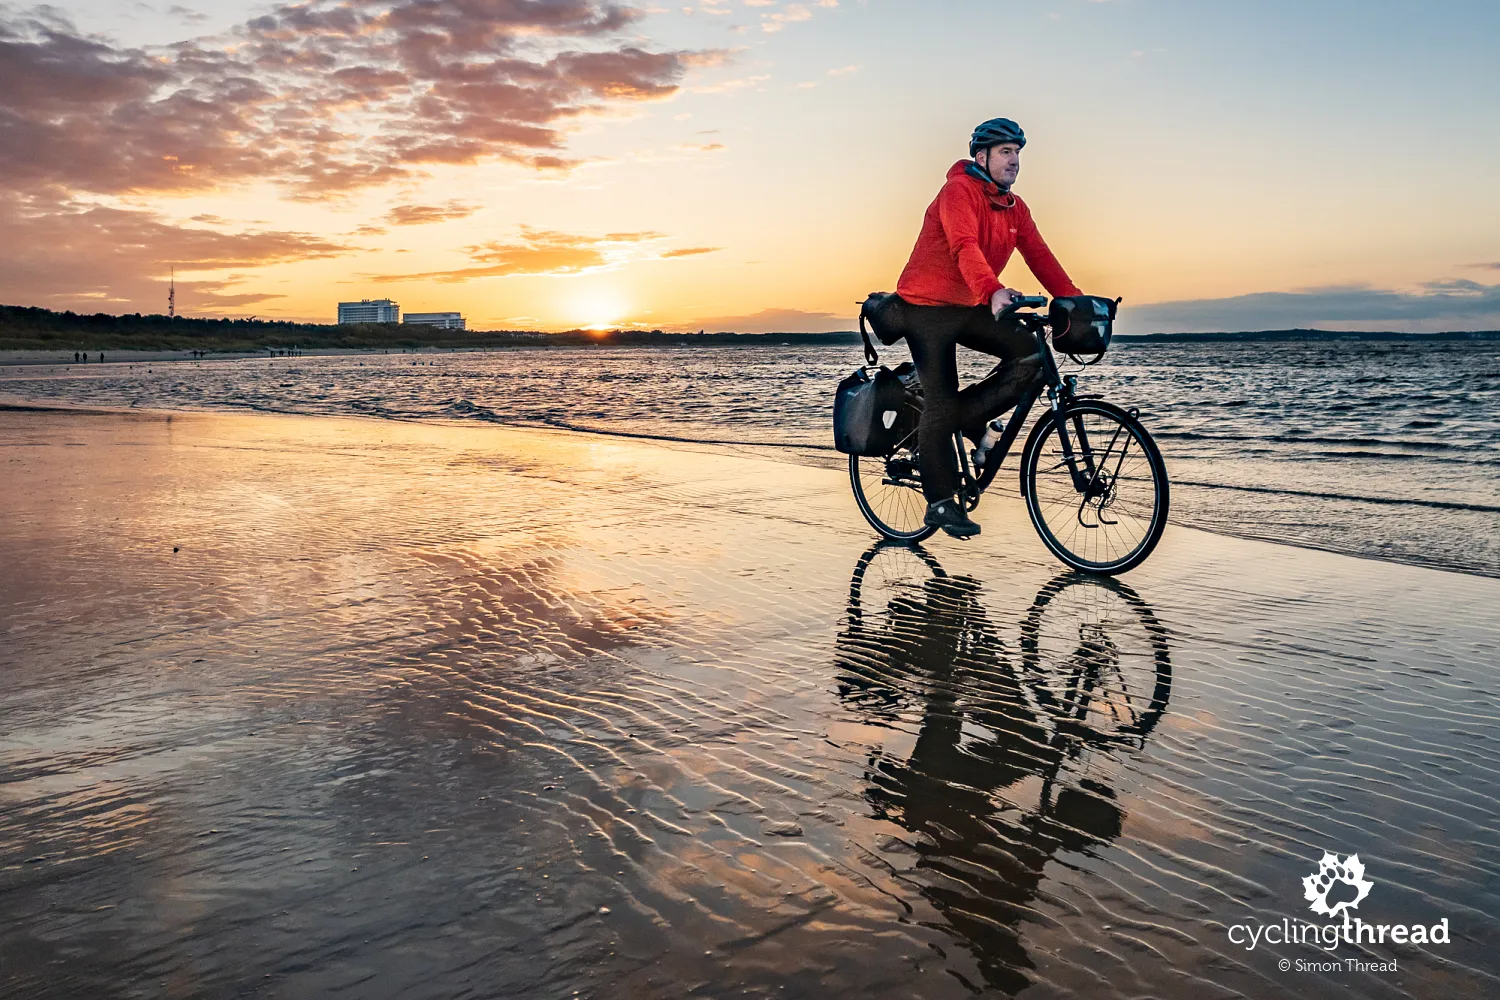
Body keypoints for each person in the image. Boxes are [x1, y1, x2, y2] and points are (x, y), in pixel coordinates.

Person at [890, 117, 1083, 538]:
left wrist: (1074, 300)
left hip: (969, 303)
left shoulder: (1016, 208)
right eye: (1005, 153)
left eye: (1018, 153)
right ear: (982, 157)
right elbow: (964, 246)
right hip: (925, 306)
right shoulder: (957, 192)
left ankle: (972, 425)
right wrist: (993, 290)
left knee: (1032, 354)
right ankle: (940, 502)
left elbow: (1041, 257)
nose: (1014, 161)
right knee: (941, 400)